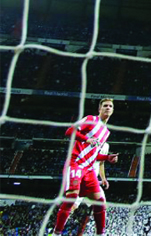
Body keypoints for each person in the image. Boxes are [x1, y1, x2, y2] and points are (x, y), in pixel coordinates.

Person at [53, 98, 119, 235]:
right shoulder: (90, 120)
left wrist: (107, 157)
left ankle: (100, 233)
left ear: (113, 110)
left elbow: (94, 155)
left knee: (100, 201)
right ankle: (56, 233)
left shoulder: (106, 133)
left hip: (89, 170)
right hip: (76, 164)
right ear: (99, 109)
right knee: (72, 196)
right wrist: (86, 139)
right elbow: (69, 131)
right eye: (105, 105)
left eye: (110, 106)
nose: (108, 108)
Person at [70, 141, 112, 236]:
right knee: (72, 206)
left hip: (93, 182)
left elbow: (101, 163)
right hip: (81, 178)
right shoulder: (86, 142)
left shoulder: (106, 146)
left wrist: (103, 178)